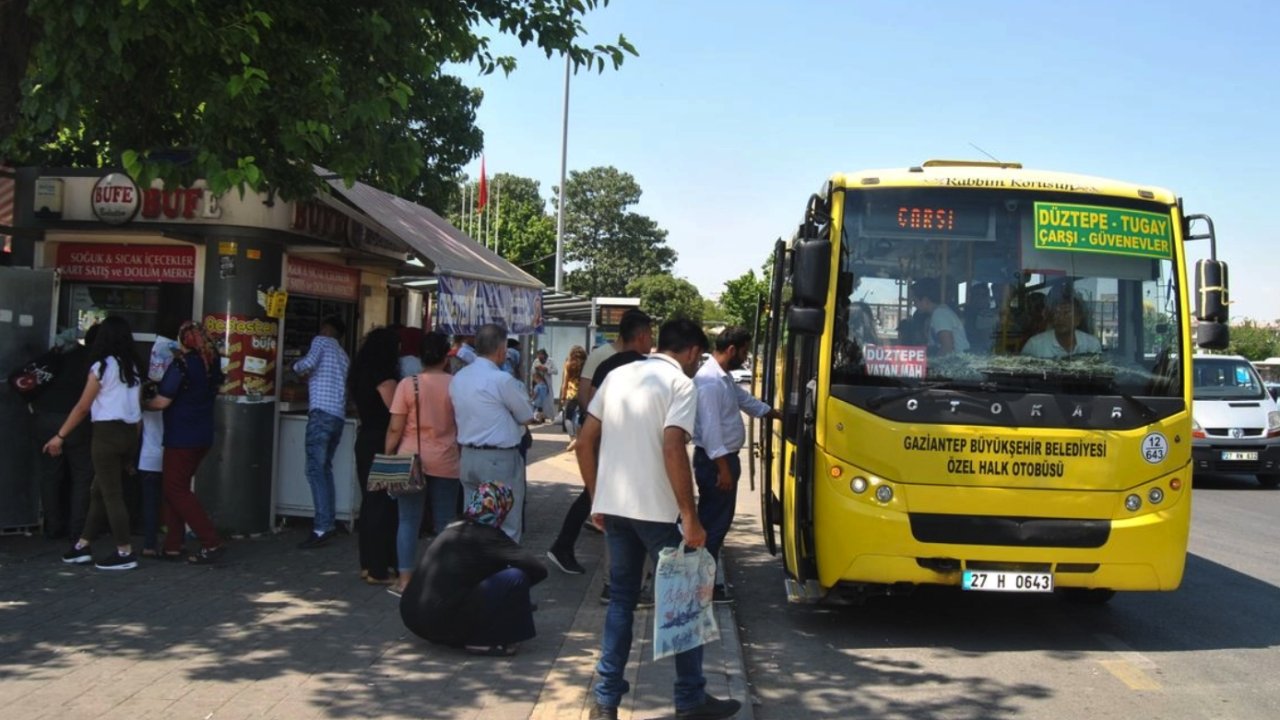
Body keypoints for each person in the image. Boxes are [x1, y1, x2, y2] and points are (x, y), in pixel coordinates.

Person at [576, 318, 741, 720]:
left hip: (616, 508)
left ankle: (606, 699)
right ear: (688, 352)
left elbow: (584, 442)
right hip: (659, 513)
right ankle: (689, 699)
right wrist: (691, 516)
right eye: (697, 356)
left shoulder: (619, 375)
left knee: (621, 602)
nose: (695, 364)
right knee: (684, 603)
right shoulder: (680, 385)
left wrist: (598, 498)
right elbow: (673, 448)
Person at [547, 310, 653, 577]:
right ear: (639, 334)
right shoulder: (601, 357)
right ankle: (564, 547)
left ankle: (567, 546)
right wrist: (598, 434)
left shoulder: (638, 360)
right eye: (650, 334)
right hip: (603, 437)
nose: (652, 340)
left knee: (595, 493)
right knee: (593, 493)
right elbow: (586, 398)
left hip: (614, 440)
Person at [398, 482, 547, 656]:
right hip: (439, 622)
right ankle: (483, 641)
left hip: (412, 617)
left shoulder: (452, 527)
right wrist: (512, 598)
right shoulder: (488, 535)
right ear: (501, 509)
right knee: (515, 577)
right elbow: (538, 569)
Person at [44, 316, 144, 571]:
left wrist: (60, 436)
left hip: (106, 435)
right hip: (129, 434)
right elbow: (137, 408)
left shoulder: (101, 367)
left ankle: (124, 551)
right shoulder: (132, 367)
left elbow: (82, 407)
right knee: (98, 490)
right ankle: (83, 545)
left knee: (111, 494)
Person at [692, 327, 780, 603]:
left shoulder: (723, 378)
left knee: (717, 523)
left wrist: (772, 412)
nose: (745, 357)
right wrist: (724, 469)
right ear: (732, 350)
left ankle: (705, 583)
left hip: (722, 460)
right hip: (716, 461)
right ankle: (703, 588)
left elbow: (744, 401)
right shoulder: (709, 381)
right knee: (713, 525)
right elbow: (710, 431)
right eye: (744, 351)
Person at [385, 331, 461, 596]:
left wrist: (388, 453)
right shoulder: (456, 385)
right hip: (447, 459)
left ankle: (405, 579)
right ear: (445, 356)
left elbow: (396, 428)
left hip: (409, 460)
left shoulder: (408, 384)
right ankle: (440, 580)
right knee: (445, 523)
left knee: (407, 521)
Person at [146, 321, 227, 564]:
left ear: (183, 341)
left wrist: (140, 402)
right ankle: (173, 545)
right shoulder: (212, 364)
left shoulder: (181, 364)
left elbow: (162, 402)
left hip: (181, 436)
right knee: (176, 487)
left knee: (175, 489)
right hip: (202, 434)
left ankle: (210, 542)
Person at [449, 324, 535, 542]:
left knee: (474, 521)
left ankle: (475, 569)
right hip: (498, 459)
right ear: (501, 349)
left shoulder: (459, 377)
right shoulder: (501, 380)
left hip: (468, 456)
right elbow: (526, 415)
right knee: (506, 522)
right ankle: (502, 571)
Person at [29, 326, 96, 541]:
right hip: (75, 421)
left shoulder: (50, 358)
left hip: (45, 418)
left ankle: (52, 526)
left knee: (50, 475)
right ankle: (77, 530)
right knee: (82, 476)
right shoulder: (89, 360)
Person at [348, 327, 401, 585]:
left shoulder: (360, 372)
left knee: (370, 504)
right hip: (382, 442)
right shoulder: (384, 376)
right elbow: (395, 410)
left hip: (365, 438)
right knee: (383, 504)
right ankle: (380, 568)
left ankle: (368, 564)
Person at [293, 315, 351, 549]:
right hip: (337, 415)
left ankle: (321, 526)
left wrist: (293, 367)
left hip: (321, 414)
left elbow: (307, 364)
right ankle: (327, 522)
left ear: (326, 329)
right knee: (324, 469)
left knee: (315, 470)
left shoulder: (321, 341)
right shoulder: (344, 356)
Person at [137, 334, 178, 557]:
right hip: (172, 452)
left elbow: (139, 424)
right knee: (173, 500)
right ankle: (173, 541)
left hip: (148, 456)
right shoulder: (177, 393)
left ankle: (149, 544)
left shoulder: (147, 394)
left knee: (150, 502)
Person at [1021, 291, 1102, 359]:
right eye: (1057, 313)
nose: (1060, 318)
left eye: (1066, 313)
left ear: (1078, 319)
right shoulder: (1035, 345)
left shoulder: (1092, 344)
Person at [910, 278, 969, 356]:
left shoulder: (940, 314)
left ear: (925, 300)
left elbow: (947, 347)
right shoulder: (939, 313)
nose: (914, 305)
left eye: (915, 301)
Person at [559, 345, 587, 452]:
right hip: (583, 394)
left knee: (568, 418)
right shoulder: (586, 365)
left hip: (571, 395)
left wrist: (563, 397)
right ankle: (579, 437)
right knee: (580, 417)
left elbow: (565, 382)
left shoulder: (568, 364)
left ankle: (572, 438)